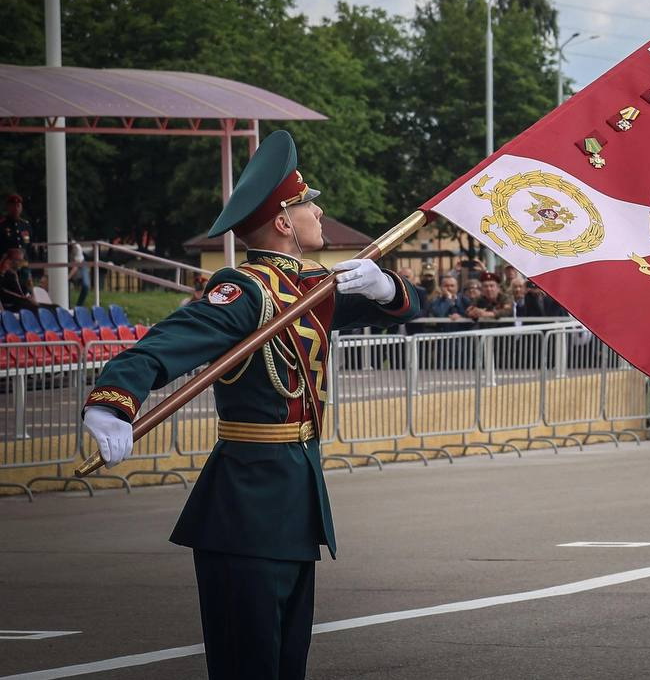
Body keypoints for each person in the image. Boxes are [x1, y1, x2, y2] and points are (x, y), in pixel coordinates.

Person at [79, 131, 420, 680]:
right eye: (309, 202)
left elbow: (402, 309)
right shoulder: (243, 292)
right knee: (249, 664)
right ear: (284, 221)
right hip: (246, 505)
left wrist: (385, 289)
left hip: (296, 499)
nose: (319, 209)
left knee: (287, 664)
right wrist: (113, 402)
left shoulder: (311, 288)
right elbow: (165, 344)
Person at [69, 238, 91, 307]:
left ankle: (79, 305)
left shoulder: (76, 247)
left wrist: (68, 277)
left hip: (81, 264)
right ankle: (67, 304)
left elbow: (76, 266)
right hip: (68, 265)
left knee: (86, 285)